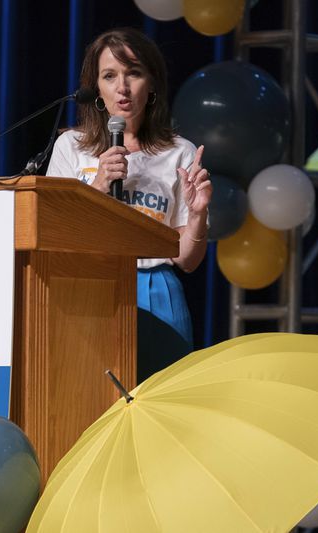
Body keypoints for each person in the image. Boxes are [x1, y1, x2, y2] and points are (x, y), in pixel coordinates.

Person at [46, 27, 212, 381]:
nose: (122, 87)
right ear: (96, 89)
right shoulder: (70, 147)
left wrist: (198, 215)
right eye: (109, 76)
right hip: (88, 286)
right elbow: (55, 234)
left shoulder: (178, 151)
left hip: (156, 288)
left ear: (151, 84)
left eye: (133, 73)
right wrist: (99, 185)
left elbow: (187, 259)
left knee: (161, 400)